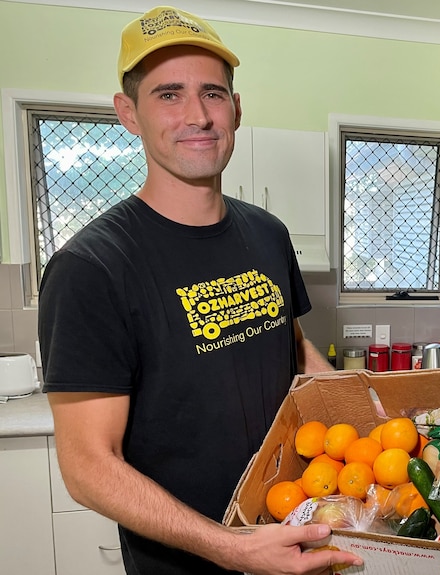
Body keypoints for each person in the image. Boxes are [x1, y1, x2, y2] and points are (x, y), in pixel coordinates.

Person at [37, 6, 362, 575]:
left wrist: (374, 419)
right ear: (128, 114)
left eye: (213, 93)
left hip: (296, 529)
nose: (198, 116)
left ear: (236, 108)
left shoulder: (267, 233)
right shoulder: (92, 267)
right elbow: (87, 466)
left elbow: (297, 354)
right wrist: (233, 548)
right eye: (168, 94)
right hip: (190, 564)